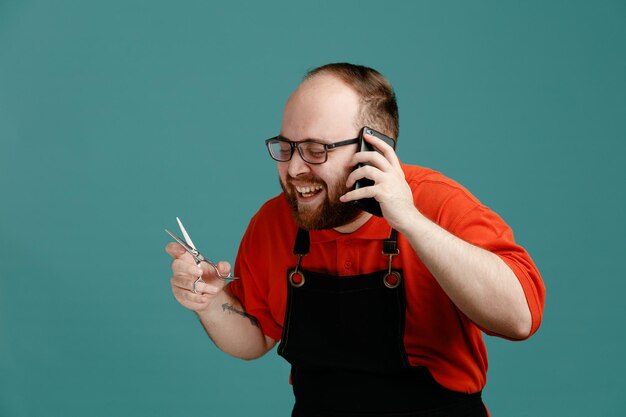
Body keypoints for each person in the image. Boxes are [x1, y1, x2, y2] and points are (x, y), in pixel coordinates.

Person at [166, 63, 546, 416]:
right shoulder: (273, 222)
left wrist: (411, 221)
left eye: (316, 150)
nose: (295, 169)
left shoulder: (438, 203)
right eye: (286, 148)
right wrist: (210, 301)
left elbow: (519, 320)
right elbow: (255, 339)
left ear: (373, 150)